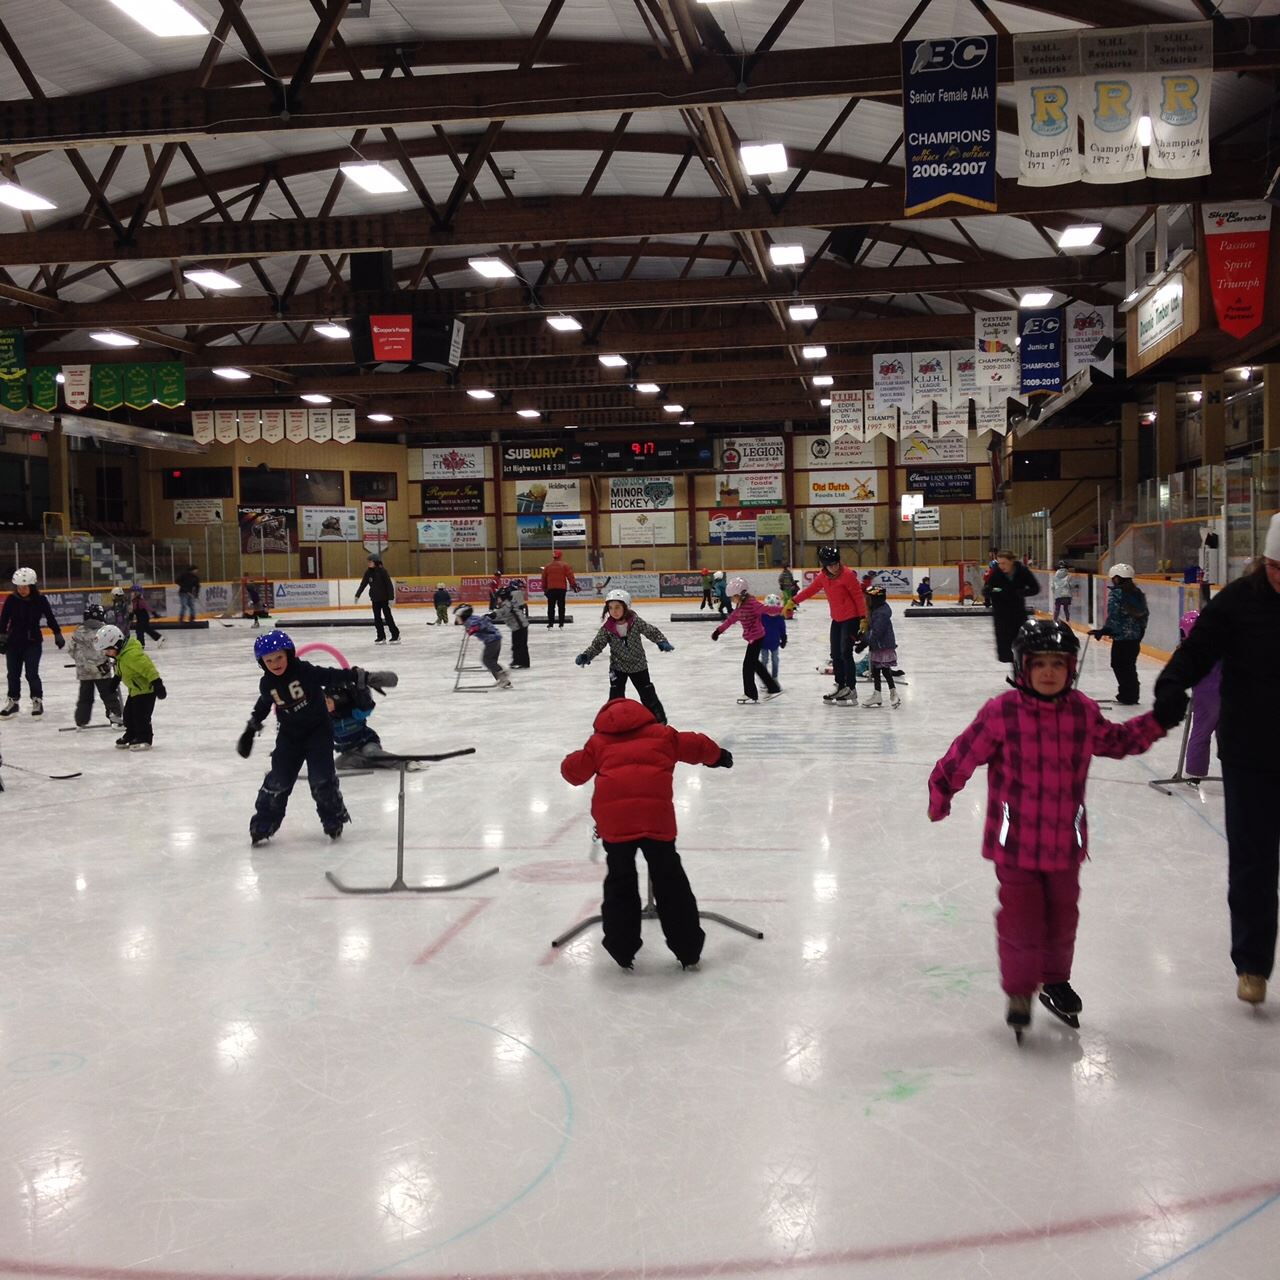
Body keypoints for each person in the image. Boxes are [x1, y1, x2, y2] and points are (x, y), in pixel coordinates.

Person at [928, 620, 1177, 1037]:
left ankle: (1055, 980)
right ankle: (1021, 990)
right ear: (1022, 667)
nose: (1048, 672)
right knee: (1021, 921)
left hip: (1065, 842)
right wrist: (942, 794)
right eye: (1038, 663)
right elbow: (962, 756)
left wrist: (1159, 720)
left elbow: (1116, 742)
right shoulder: (1002, 712)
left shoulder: (1081, 710)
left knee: (1063, 919)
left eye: (1057, 664)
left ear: (1071, 668)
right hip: (1016, 845)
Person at [1153, 518, 1280, 1005]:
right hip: (1249, 749)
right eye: (1276, 570)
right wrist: (1169, 684)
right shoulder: (1238, 602)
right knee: (1252, 860)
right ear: (1265, 563)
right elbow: (1198, 649)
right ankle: (1252, 964)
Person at [560, 699, 733, 970]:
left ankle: (622, 948)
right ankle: (688, 949)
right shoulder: (663, 735)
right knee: (671, 882)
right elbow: (696, 745)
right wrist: (718, 756)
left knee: (620, 882)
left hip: (616, 825)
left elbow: (573, 773)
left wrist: (571, 761)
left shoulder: (598, 743)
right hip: (656, 821)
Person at [235, 629, 392, 844]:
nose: (275, 663)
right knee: (277, 780)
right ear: (262, 663)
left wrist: (359, 676)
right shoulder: (267, 684)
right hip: (289, 737)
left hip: (318, 733)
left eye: (279, 657)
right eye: (269, 660)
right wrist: (251, 729)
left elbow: (330, 674)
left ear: (289, 654)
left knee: (322, 779)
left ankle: (334, 818)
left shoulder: (304, 671)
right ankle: (264, 823)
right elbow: (264, 703)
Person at [575, 588, 673, 724]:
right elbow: (597, 645)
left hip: (638, 665)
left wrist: (661, 641)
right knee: (615, 697)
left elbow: (650, 631)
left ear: (625, 607)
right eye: (610, 608)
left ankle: (659, 720)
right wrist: (586, 656)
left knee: (647, 693)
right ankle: (614, 722)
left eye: (617, 607)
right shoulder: (607, 628)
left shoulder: (635, 622)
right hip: (617, 666)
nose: (613, 611)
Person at [790, 546, 867, 705]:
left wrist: (863, 618)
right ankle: (840, 685)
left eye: (836, 563)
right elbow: (810, 590)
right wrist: (793, 601)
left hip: (851, 619)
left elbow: (859, 597)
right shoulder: (822, 577)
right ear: (824, 565)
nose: (834, 567)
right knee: (835, 654)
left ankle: (851, 689)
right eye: (830, 565)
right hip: (837, 620)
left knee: (846, 653)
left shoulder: (847, 575)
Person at [0, 567, 65, 718]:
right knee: (13, 674)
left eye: (25, 587)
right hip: (14, 642)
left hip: (33, 642)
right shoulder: (11, 600)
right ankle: (13, 702)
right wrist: (2, 638)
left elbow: (50, 617)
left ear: (32, 586)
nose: (21, 590)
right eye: (19, 587)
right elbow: (3, 620)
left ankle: (37, 700)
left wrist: (57, 633)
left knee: (31, 673)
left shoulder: (40, 600)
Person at [711, 577, 783, 705]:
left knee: (747, 667)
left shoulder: (751, 604)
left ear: (740, 594)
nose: (731, 600)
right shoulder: (740, 606)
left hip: (757, 638)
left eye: (733, 597)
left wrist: (783, 610)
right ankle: (773, 687)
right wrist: (719, 631)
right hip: (752, 638)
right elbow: (731, 619)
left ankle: (750, 694)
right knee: (755, 664)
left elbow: (766, 609)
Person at [94, 623, 165, 751]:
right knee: (128, 715)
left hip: (146, 691)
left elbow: (148, 668)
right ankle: (131, 734)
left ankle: (144, 738)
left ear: (117, 644)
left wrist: (158, 683)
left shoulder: (132, 655)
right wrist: (115, 680)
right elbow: (121, 669)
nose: (106, 654)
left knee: (141, 716)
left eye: (108, 650)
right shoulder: (121, 655)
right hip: (135, 691)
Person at [1089, 564, 1148, 705]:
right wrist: (1140, 633)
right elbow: (1145, 616)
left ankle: (1127, 695)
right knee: (1129, 665)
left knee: (1118, 664)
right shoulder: (1137, 593)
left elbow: (1114, 616)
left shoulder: (1117, 594)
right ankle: (1132, 694)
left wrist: (1104, 631)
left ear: (1117, 578)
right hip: (1134, 638)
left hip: (1122, 638)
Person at [326, 671, 403, 771]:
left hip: (367, 742)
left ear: (339, 701)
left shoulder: (353, 714)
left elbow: (366, 707)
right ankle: (373, 761)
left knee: (370, 752)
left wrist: (361, 691)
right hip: (351, 750)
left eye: (328, 702)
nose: (325, 705)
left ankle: (402, 763)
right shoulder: (326, 718)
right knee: (340, 763)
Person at [1177, 610, 1220, 782]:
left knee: (1201, 733)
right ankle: (1238, 770)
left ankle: (1194, 772)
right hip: (1229, 694)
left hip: (1206, 696)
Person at [69, 602, 123, 729]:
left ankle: (81, 720)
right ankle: (115, 716)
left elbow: (71, 649)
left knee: (85, 697)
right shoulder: (105, 630)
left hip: (84, 672)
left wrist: (82, 662)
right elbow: (112, 647)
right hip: (102, 670)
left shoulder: (78, 631)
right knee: (109, 695)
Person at [987, 549, 1039, 664]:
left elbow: (1035, 588)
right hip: (1001, 615)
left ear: (1012, 561)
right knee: (1005, 652)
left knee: (1022, 646)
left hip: (1018, 613)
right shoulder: (996, 572)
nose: (1001, 566)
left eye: (1004, 563)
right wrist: (996, 591)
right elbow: (987, 589)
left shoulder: (1023, 571)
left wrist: (1020, 593)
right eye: (999, 563)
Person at [859, 585, 900, 708]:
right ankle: (877, 694)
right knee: (876, 670)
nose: (866, 601)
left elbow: (876, 632)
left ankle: (893, 693)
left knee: (885, 670)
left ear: (876, 599)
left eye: (869, 599)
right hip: (878, 645)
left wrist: (863, 642)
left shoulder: (881, 613)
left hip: (883, 645)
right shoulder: (876, 609)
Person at [453, 604, 512, 689]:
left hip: (492, 640)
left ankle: (502, 673)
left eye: (457, 616)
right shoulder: (470, 620)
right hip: (493, 639)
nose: (456, 619)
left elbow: (481, 624)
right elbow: (481, 621)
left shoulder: (471, 621)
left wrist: (474, 628)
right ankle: (503, 680)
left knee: (487, 660)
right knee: (491, 661)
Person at [355, 556, 400, 645]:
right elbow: (363, 584)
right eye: (368, 562)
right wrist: (357, 595)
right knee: (377, 618)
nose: (368, 563)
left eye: (370, 561)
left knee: (388, 617)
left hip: (384, 599)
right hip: (375, 599)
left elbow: (389, 585)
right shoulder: (368, 573)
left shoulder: (382, 571)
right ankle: (381, 636)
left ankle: (395, 635)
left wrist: (391, 598)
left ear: (375, 562)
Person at [493, 583, 531, 669]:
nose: (497, 600)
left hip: (520, 627)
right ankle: (517, 661)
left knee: (520, 645)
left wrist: (492, 615)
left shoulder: (507, 604)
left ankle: (523, 663)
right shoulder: (506, 603)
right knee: (516, 645)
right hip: (516, 627)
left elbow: (502, 611)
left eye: (498, 598)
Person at [541, 550, 577, 627]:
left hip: (551, 589)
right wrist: (573, 585)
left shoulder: (548, 566)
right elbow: (570, 576)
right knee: (561, 606)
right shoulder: (564, 565)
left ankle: (550, 623)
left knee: (551, 607)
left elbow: (543, 578)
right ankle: (561, 623)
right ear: (560, 556)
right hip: (561, 589)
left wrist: (544, 588)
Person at [759, 593, 787, 683]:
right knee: (764, 661)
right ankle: (765, 679)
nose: (772, 612)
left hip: (775, 643)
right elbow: (757, 628)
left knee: (775, 660)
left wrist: (784, 638)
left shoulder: (779, 618)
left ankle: (774, 677)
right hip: (763, 643)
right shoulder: (762, 617)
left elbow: (782, 629)